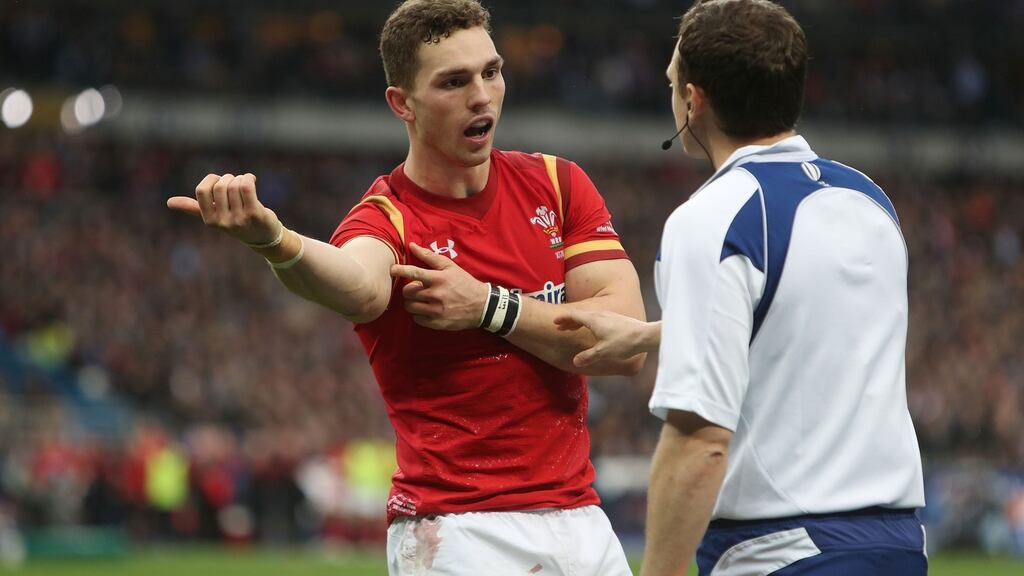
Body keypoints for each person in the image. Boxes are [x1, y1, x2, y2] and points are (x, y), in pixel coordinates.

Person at [167, 1, 645, 574]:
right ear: (403, 104)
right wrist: (276, 240)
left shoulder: (558, 185)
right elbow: (359, 286)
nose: (482, 96)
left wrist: (489, 308)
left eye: (491, 72)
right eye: (454, 81)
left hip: (582, 520)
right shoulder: (388, 217)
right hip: (458, 531)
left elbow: (626, 343)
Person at [556, 1, 927, 574]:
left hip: (782, 551)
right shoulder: (869, 200)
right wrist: (651, 335)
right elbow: (797, 318)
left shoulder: (714, 218)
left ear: (693, 101)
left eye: (673, 80)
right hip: (899, 544)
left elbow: (699, 440)